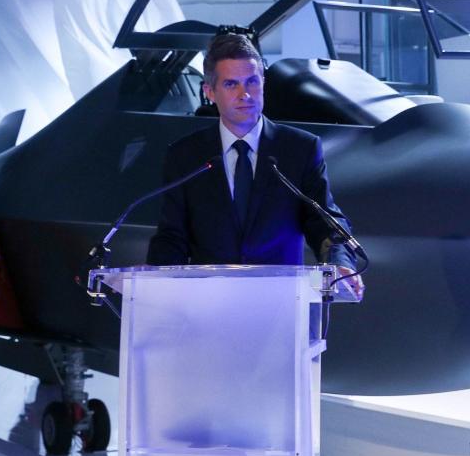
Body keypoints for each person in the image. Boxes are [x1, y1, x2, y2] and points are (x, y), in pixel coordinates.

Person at [147, 32, 362, 295]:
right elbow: (172, 237)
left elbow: (324, 222)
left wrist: (339, 263)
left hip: (282, 304)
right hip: (208, 304)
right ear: (209, 92)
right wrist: (153, 284)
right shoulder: (185, 156)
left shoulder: (299, 149)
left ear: (263, 83)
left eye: (252, 82)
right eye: (231, 84)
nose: (244, 94)